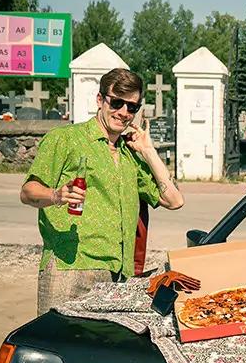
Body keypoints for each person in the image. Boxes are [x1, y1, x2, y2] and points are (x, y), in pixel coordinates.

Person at [20, 68, 184, 314]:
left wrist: (148, 151)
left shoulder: (130, 154)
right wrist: (56, 195)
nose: (124, 112)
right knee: (59, 339)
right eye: (116, 102)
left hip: (118, 275)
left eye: (132, 107)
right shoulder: (66, 139)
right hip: (71, 268)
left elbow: (174, 200)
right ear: (100, 100)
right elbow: (28, 191)